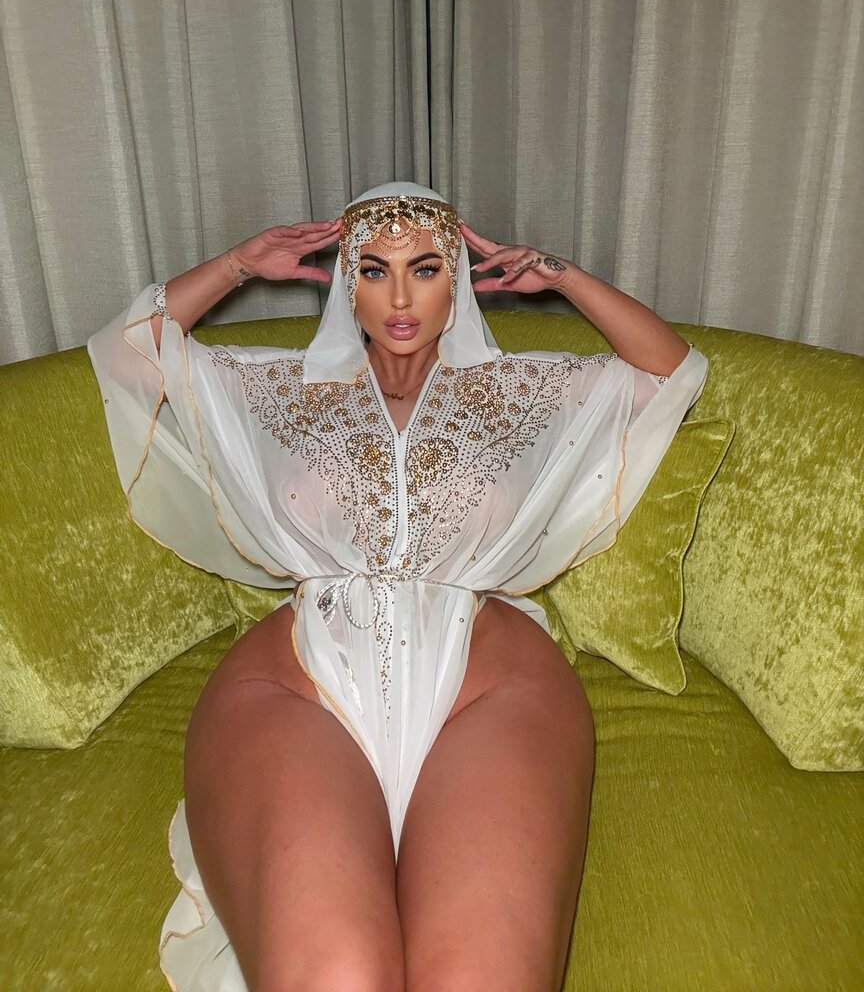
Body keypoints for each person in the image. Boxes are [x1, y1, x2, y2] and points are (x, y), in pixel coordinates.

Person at [87, 180, 709, 991]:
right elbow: (127, 360)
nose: (401, 298)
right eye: (374, 271)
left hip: (485, 681)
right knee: (337, 975)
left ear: (458, 282)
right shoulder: (285, 388)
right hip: (301, 682)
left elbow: (672, 370)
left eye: (425, 268)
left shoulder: (518, 392)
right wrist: (239, 264)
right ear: (347, 285)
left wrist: (562, 278)